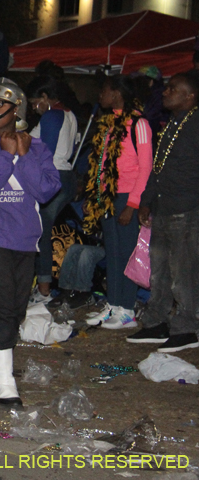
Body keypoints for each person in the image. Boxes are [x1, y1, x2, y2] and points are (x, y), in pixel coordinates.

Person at [0, 79, 60, 406]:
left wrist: (22, 156)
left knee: (16, 309)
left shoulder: (38, 146)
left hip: (25, 235)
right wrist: (5, 158)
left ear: (15, 108)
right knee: (2, 304)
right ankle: (5, 384)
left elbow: (46, 190)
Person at [128, 71, 199, 352]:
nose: (165, 92)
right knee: (159, 271)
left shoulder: (195, 124)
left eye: (172, 89)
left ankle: (188, 327)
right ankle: (158, 322)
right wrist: (147, 200)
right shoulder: (173, 123)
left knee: (184, 273)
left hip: (186, 209)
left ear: (190, 96)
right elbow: (158, 169)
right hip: (163, 206)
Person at [82, 75, 152, 330]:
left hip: (127, 196)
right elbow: (101, 165)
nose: (100, 95)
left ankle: (127, 309)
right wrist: (96, 198)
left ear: (117, 93)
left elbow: (145, 168)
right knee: (112, 252)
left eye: (104, 90)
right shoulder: (109, 123)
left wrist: (133, 204)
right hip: (109, 197)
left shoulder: (139, 124)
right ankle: (113, 303)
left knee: (126, 253)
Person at [26, 77, 78, 304]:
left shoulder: (51, 116)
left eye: (35, 102)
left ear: (45, 98)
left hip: (52, 176)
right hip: (65, 176)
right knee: (43, 231)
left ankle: (44, 287)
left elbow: (44, 152)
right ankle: (44, 284)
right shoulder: (69, 114)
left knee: (40, 232)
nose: (33, 108)